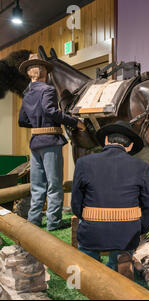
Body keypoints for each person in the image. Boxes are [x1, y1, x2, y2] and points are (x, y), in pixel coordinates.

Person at [71, 121, 149, 279]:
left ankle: (90, 275)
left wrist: (89, 220)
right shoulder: (141, 167)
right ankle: (118, 265)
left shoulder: (83, 163)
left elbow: (76, 204)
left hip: (92, 232)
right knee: (121, 257)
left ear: (106, 141)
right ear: (130, 146)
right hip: (126, 234)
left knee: (87, 266)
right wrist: (138, 229)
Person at [18, 53, 86, 231]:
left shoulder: (27, 95)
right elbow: (51, 111)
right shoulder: (48, 90)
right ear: (43, 73)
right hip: (50, 141)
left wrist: (37, 122)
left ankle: (34, 222)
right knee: (54, 185)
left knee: (38, 185)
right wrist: (74, 121)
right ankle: (53, 223)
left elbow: (22, 121)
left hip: (35, 143)